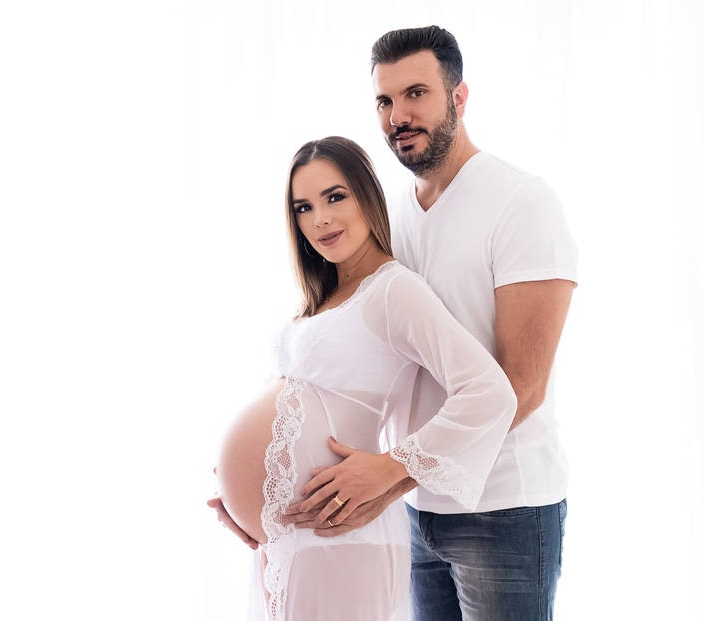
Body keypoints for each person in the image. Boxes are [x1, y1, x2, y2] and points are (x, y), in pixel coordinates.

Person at [283, 26, 579, 621]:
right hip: (416, 513)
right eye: (385, 100)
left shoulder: (521, 203)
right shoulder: (385, 216)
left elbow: (521, 387)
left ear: (459, 97)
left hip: (504, 509)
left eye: (415, 93)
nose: (398, 116)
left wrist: (390, 477)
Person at [209, 135, 517, 620]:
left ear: (367, 195)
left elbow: (489, 392)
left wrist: (391, 468)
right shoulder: (319, 302)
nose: (320, 219)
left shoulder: (394, 291)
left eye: (335, 197)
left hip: (340, 534)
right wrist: (238, 496)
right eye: (304, 207)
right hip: (290, 540)